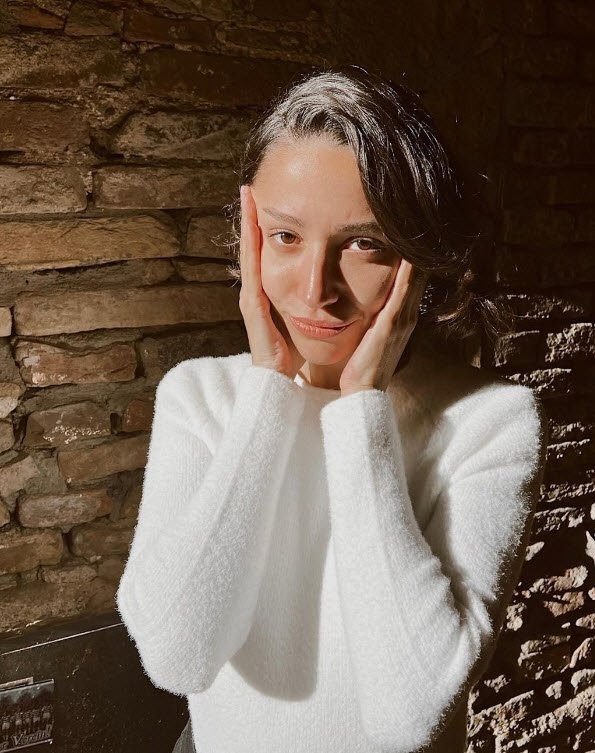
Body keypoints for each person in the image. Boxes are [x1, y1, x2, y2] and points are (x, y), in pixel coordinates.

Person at [116, 65, 549, 753]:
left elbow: (412, 714)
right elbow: (178, 656)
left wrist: (361, 408)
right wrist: (267, 390)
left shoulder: (490, 424)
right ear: (249, 237)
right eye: (285, 236)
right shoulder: (199, 397)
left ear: (419, 258)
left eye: (363, 243)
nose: (315, 289)